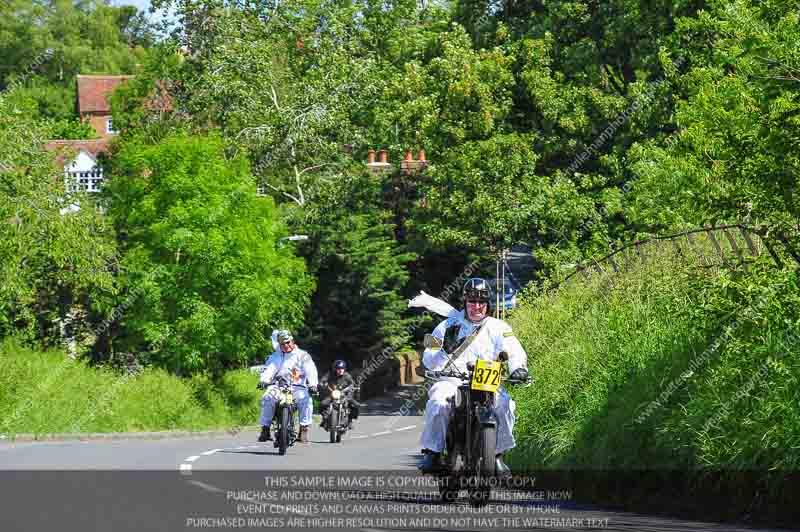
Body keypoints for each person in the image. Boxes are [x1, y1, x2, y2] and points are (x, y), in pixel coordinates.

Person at [418, 278, 529, 475]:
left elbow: (514, 351)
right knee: (438, 402)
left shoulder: (499, 327)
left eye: (481, 302)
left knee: (505, 405)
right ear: (464, 302)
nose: (476, 306)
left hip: (487, 381)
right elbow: (428, 358)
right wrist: (445, 350)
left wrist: (518, 369)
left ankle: (496, 455)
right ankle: (433, 453)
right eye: (472, 301)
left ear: (488, 304)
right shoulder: (445, 326)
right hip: (451, 380)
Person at [257, 330, 319, 444]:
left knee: (306, 399)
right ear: (279, 345)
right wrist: (264, 381)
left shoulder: (303, 355)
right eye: (282, 344)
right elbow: (269, 369)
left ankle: (303, 430)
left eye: (288, 342)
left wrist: (313, 384)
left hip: (297, 387)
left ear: (292, 341)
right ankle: (265, 429)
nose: (286, 346)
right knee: (267, 398)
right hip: (278, 386)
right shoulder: (275, 356)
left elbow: (311, 370)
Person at [319, 359, 360, 430]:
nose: (340, 370)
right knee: (322, 404)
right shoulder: (330, 374)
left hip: (344, 395)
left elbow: (352, 383)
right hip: (332, 394)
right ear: (335, 369)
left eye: (342, 369)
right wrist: (321, 384)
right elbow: (323, 380)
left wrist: (353, 387)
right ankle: (324, 419)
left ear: (344, 369)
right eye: (338, 369)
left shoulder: (347, 376)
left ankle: (350, 421)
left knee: (355, 405)